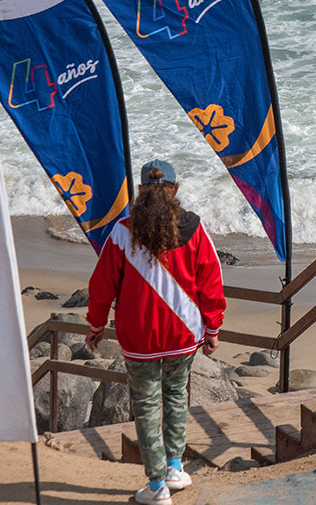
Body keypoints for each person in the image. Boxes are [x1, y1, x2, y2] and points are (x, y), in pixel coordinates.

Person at [87, 160, 225, 503]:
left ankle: (156, 487)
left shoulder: (123, 231)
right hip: (183, 332)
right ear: (174, 190)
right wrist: (213, 326)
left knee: (147, 405)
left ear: (140, 191)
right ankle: (175, 468)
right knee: (176, 396)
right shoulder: (194, 228)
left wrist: (96, 325)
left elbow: (102, 285)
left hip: (139, 336)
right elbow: (210, 279)